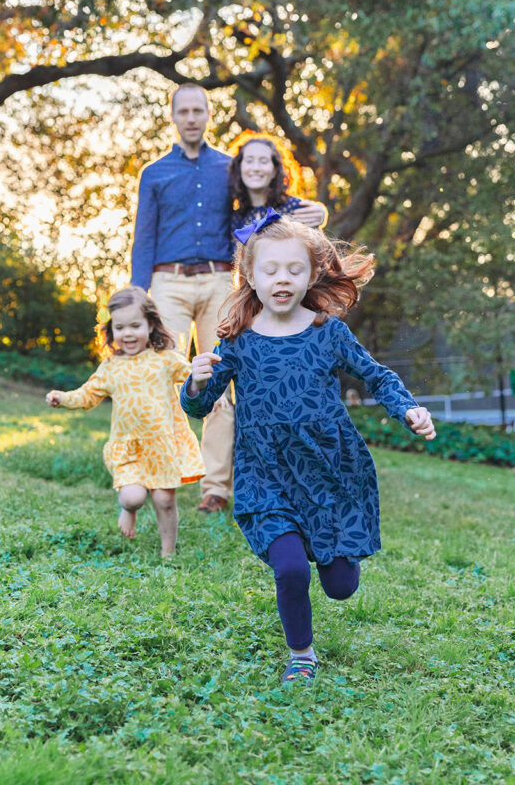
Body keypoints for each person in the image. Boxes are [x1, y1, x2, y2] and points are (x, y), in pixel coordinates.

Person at [180, 211, 435, 683]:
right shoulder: (236, 341)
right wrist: (194, 384)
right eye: (271, 269)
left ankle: (335, 553)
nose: (282, 279)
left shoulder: (327, 331)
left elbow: (377, 374)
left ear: (313, 273)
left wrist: (407, 409)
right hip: (264, 473)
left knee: (339, 586)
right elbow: (200, 407)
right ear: (250, 275)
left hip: (327, 471)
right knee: (292, 569)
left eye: (294, 269)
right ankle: (301, 655)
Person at [130, 83, 235, 514]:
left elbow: (253, 217)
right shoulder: (154, 173)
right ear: (173, 116)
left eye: (199, 110)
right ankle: (163, 474)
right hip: (167, 282)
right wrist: (137, 296)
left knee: (220, 380)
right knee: (162, 376)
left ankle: (215, 489)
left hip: (219, 281)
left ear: (209, 115)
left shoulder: (231, 168)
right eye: (184, 111)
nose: (191, 118)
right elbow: (144, 237)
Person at [46, 286, 204, 558]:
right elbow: (87, 395)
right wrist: (63, 398)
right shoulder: (110, 367)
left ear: (150, 325)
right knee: (133, 496)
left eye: (135, 325)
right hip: (129, 448)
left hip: (162, 445)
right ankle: (128, 510)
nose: (128, 333)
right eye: (120, 327)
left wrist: (209, 383)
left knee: (164, 500)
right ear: (111, 330)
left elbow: (193, 378)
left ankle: (168, 552)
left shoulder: (165, 360)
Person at [229, 134, 328, 239]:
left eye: (263, 161)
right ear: (240, 168)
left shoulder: (296, 209)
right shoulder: (234, 219)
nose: (256, 168)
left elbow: (321, 252)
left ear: (275, 170)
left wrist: (320, 217)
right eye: (249, 161)